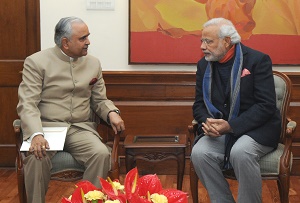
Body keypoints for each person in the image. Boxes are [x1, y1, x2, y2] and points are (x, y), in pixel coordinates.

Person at [16, 16, 125, 203]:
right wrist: (35, 134)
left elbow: (99, 99)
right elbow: (28, 103)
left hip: (79, 128)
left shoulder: (93, 63)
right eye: (83, 38)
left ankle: (88, 200)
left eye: (87, 37)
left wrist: (111, 112)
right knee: (36, 157)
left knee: (101, 154)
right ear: (65, 43)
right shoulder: (36, 62)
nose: (88, 42)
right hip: (46, 128)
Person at [190, 18, 281, 203]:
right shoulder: (203, 65)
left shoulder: (257, 61)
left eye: (208, 41)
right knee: (199, 153)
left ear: (226, 41)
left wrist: (231, 126)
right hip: (221, 131)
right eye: (202, 41)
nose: (202, 46)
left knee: (240, 151)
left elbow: (266, 106)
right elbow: (199, 104)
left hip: (258, 130)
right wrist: (208, 123)